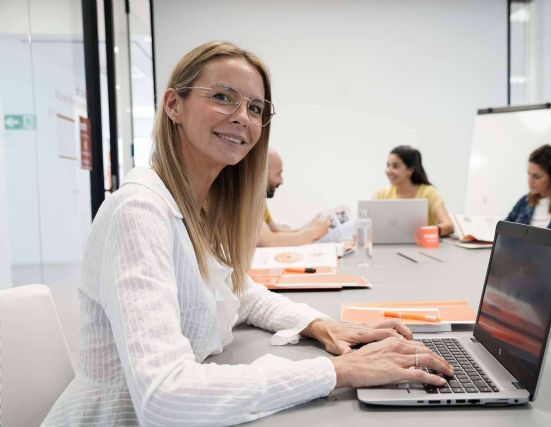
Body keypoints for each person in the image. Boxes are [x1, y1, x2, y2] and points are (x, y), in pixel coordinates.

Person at [43, 42, 452, 426]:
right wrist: (338, 370)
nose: (243, 116)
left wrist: (320, 324)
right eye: (222, 96)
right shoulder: (140, 210)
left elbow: (239, 292)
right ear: (174, 105)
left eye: (256, 107)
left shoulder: (200, 204)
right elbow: (164, 396)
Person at [374, 145, 453, 236]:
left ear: (410, 170)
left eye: (395, 166)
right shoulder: (382, 194)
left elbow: (448, 226)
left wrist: (425, 232)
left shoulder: (429, 193)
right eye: (388, 165)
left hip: (422, 247)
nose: (388, 170)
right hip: (388, 247)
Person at [257, 148, 331, 246]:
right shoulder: (247, 202)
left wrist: (310, 227)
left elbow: (274, 230)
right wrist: (314, 232)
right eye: (278, 174)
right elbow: (270, 241)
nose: (281, 181)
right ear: (262, 174)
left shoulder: (259, 200)